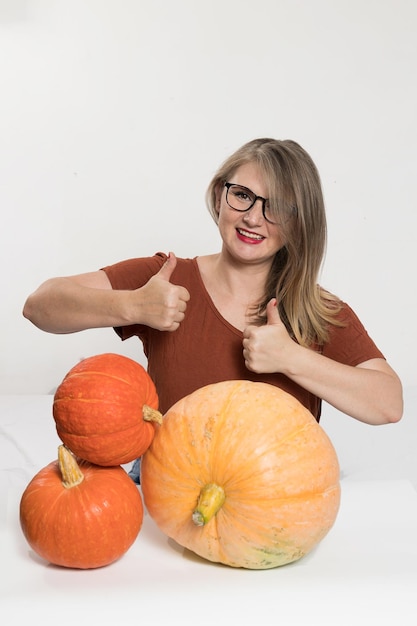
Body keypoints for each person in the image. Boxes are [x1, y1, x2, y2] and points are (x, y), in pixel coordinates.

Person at [23, 138, 403, 480]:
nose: (254, 217)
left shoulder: (316, 309)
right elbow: (40, 306)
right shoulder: (166, 278)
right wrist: (131, 304)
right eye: (243, 195)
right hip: (168, 485)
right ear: (220, 195)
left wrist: (292, 359)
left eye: (279, 208)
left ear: (300, 224)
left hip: (277, 493)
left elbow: (388, 403)